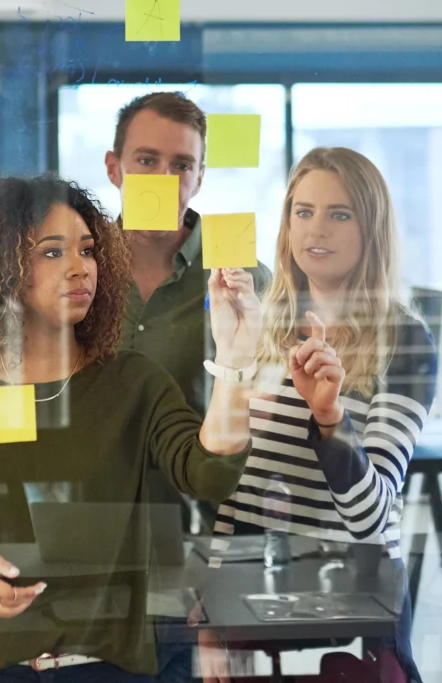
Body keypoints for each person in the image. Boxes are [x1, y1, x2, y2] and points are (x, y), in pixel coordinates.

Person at [0, 174, 262, 683]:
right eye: (52, 253)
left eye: (88, 250)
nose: (81, 268)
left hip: (106, 671)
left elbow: (212, 474)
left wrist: (235, 358)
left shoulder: (132, 380)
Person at [201, 148, 438, 683]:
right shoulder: (257, 321)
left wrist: (330, 418)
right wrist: (210, 616)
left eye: (340, 212)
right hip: (250, 607)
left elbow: (372, 517)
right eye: (302, 211)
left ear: (371, 227)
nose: (316, 229)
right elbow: (231, 491)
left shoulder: (404, 341)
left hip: (351, 621)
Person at [105, 92, 274, 533]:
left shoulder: (245, 279)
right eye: (146, 161)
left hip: (212, 520)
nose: (164, 179)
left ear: (199, 178)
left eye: (181, 165)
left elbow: (276, 413)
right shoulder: (76, 269)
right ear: (112, 168)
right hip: (91, 515)